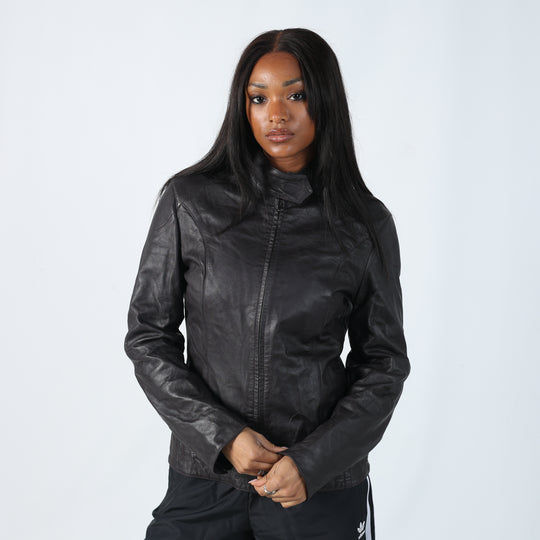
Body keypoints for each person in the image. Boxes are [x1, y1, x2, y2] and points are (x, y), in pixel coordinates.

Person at [124, 27, 410, 540]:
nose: (276, 114)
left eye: (295, 96)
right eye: (259, 98)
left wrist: (312, 462)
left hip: (316, 491)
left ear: (325, 101)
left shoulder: (364, 225)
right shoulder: (189, 202)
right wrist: (223, 436)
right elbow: (148, 337)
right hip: (205, 482)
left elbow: (383, 364)